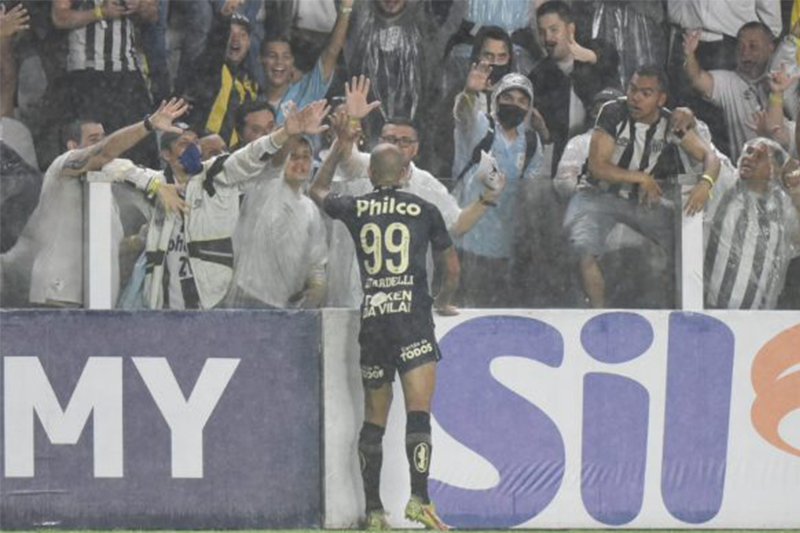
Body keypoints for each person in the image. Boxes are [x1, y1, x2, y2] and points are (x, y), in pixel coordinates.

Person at [309, 137, 459, 532]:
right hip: (412, 319)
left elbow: (317, 190)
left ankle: (374, 511)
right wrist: (442, 300)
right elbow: (452, 265)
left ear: (371, 175)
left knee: (374, 421)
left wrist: (341, 146)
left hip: (374, 320)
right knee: (418, 415)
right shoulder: (425, 210)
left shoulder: (358, 206)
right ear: (406, 173)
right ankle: (419, 501)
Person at [104, 100, 330, 309]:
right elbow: (106, 164)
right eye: (184, 144)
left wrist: (283, 134)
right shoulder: (155, 183)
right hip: (161, 307)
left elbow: (248, 157)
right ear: (166, 154)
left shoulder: (215, 176)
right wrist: (155, 186)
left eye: (195, 144)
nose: (193, 150)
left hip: (210, 303)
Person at [327, 75, 504, 308]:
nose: (397, 145)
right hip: (349, 301)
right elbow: (344, 156)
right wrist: (352, 121)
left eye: (405, 141)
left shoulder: (426, 185)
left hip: (406, 307)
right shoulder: (361, 165)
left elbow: (457, 224)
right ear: (377, 141)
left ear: (416, 148)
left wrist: (486, 199)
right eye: (390, 138)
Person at [0, 98, 189, 308]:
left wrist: (141, 240)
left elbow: (105, 248)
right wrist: (148, 125)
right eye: (93, 139)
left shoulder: (105, 187)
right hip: (58, 296)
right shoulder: (63, 166)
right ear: (72, 145)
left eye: (103, 137)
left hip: (95, 300)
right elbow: (105, 153)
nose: (100, 143)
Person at [565, 66, 721, 308]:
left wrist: (706, 182)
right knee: (581, 249)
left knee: (682, 245)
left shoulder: (671, 122)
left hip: (641, 201)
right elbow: (598, 167)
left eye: (646, 93)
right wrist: (642, 178)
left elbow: (710, 158)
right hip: (596, 194)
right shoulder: (613, 111)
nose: (635, 97)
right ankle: (597, 315)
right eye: (633, 89)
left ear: (661, 99)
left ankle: (680, 309)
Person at [453, 71, 543, 307]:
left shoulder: (531, 142)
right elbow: (463, 113)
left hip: (506, 244)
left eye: (522, 101)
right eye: (508, 98)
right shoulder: (482, 126)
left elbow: (532, 191)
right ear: (497, 99)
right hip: (467, 238)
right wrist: (470, 92)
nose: (515, 104)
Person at [51, 0, 159, 167]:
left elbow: (153, 14)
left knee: (141, 146)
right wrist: (100, 12)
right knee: (94, 149)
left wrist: (138, 6)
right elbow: (59, 17)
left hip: (127, 72)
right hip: (86, 72)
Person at [225, 135, 328, 309]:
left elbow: (316, 260)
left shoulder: (310, 208)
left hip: (286, 307)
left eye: (305, 157)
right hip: (249, 299)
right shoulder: (264, 188)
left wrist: (317, 286)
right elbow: (273, 166)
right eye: (293, 157)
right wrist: (291, 132)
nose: (300, 163)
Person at [683, 20, 800, 160]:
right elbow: (697, 78)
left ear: (771, 48)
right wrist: (689, 54)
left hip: (787, 175)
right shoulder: (729, 82)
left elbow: (784, 56)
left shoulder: (786, 79)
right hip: (746, 174)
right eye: (740, 47)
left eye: (753, 46)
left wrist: (794, 37)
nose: (745, 53)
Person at [705, 137, 800, 309]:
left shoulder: (783, 206)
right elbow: (694, 140)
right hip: (712, 312)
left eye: (759, 156)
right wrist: (686, 116)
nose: (749, 158)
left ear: (774, 169)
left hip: (757, 322)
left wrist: (794, 188)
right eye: (749, 152)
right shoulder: (725, 183)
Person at [528, 0, 620, 175]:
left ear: (570, 29)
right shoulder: (538, 76)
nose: (548, 39)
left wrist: (591, 56)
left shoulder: (596, 59)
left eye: (554, 30)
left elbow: (610, 59)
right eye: (542, 32)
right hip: (561, 169)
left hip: (604, 163)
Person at [259, 0, 352, 124]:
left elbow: (332, 51)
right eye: (272, 56)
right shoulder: (249, 96)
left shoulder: (306, 91)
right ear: (260, 59)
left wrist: (345, 8)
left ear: (292, 61)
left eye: (286, 56)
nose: (279, 62)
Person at [181, 11, 258, 146]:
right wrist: (225, 12)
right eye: (229, 33)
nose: (235, 39)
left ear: (249, 43)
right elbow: (213, 51)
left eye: (242, 34)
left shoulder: (251, 83)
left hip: (232, 155)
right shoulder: (207, 68)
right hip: (202, 150)